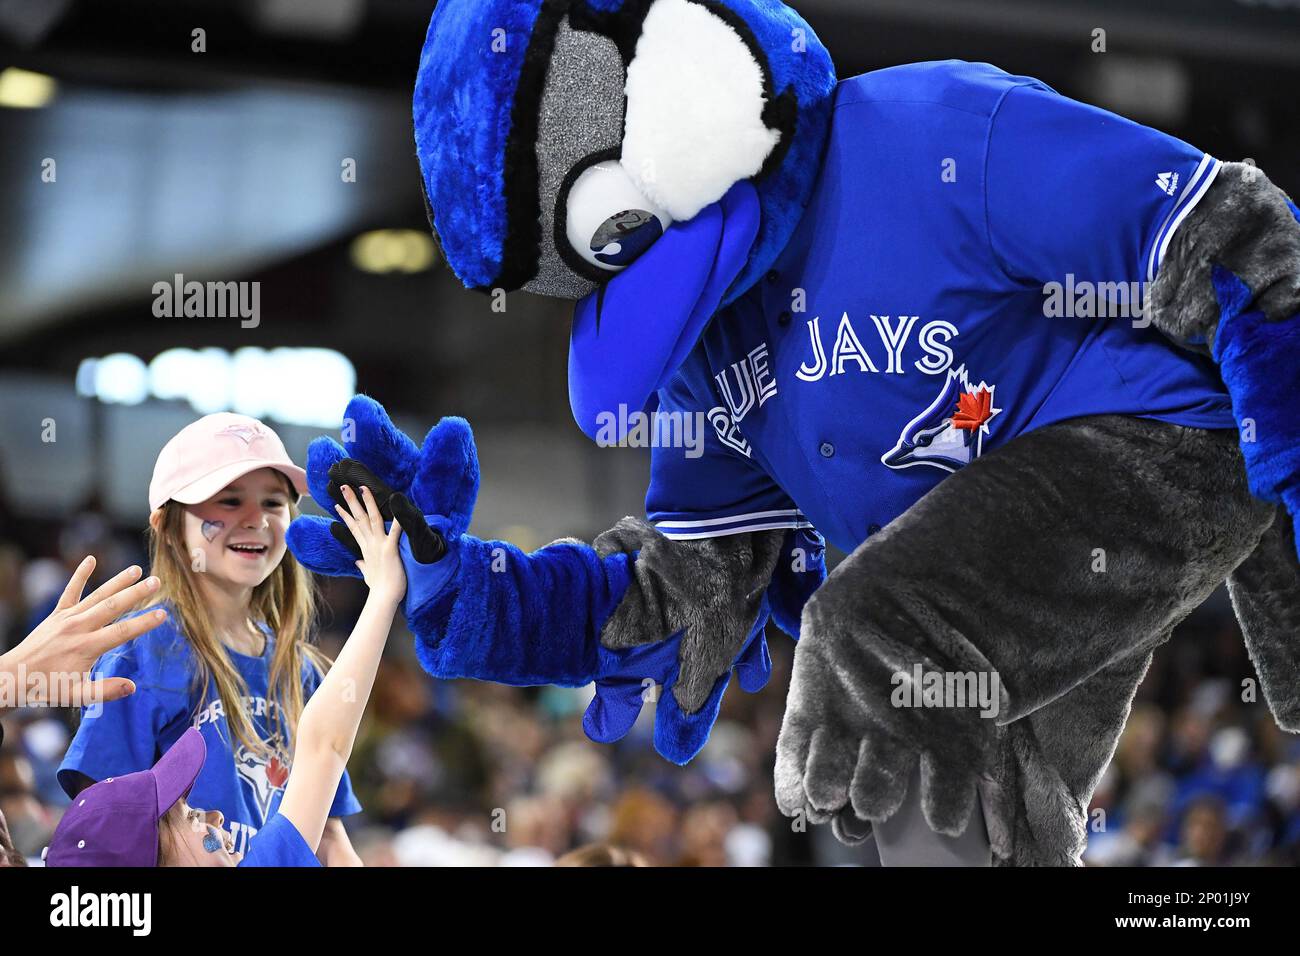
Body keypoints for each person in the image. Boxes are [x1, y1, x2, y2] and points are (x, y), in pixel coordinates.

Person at [45, 480, 407, 866]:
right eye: (229, 501)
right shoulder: (139, 653)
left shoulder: (302, 668)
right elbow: (109, 826)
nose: (256, 519)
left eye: (273, 502)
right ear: (166, 524)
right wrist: (384, 593)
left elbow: (329, 832)